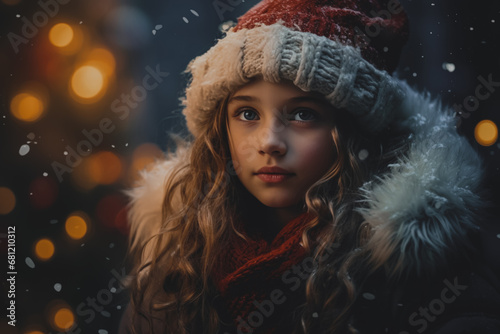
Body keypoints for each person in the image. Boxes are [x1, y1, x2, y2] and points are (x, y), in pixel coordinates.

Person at [118, 0, 500, 333]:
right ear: (220, 128)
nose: (269, 141)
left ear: (351, 131)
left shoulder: (421, 275)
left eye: (303, 114)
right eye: (247, 113)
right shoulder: (179, 262)